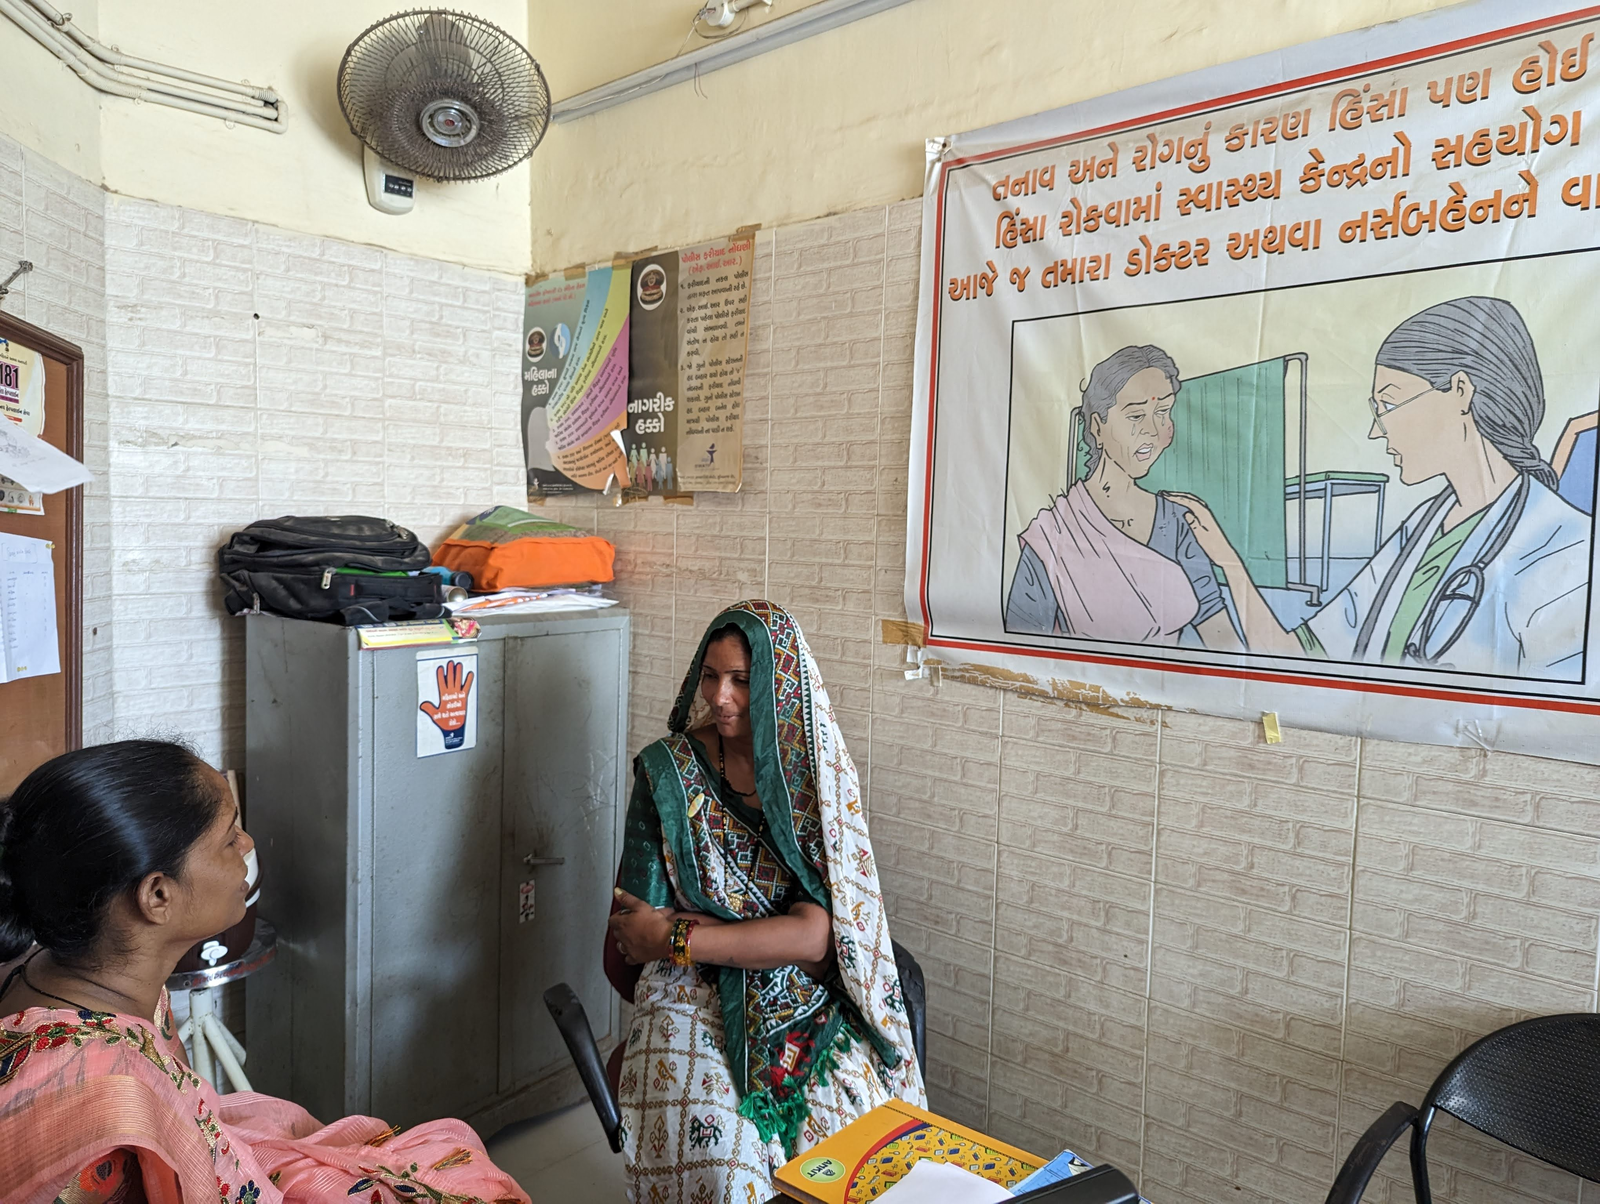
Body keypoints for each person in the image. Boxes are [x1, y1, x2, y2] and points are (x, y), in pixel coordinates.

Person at [0, 740, 529, 1204]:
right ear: (157, 895)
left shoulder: (66, 970)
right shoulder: (99, 1101)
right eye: (230, 838)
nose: (248, 846)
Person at [608, 601, 924, 1204]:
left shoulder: (814, 778)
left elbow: (817, 937)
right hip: (686, 992)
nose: (720, 696)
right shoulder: (666, 773)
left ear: (780, 686)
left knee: (860, 1148)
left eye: (742, 680)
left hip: (797, 990)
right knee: (729, 1169)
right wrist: (763, 931)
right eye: (710, 676)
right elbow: (635, 927)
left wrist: (685, 930)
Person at [1175, 296, 1591, 678]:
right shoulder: (1421, 529)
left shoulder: (1569, 549)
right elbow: (1299, 659)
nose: (1378, 431)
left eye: (1388, 405)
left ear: (1460, 391)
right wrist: (1228, 561)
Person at [1007, 345, 1242, 649]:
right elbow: (1021, 649)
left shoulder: (1175, 521)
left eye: (1162, 413)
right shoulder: (1054, 535)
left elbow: (1222, 638)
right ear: (1097, 426)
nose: (1153, 431)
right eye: (1135, 416)